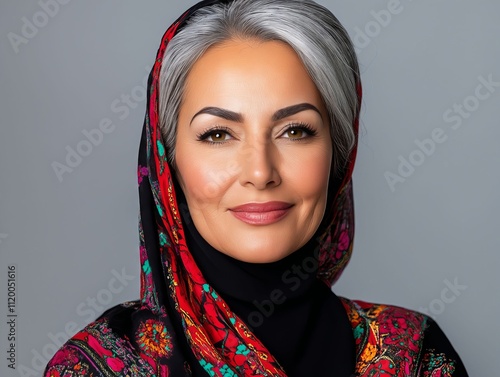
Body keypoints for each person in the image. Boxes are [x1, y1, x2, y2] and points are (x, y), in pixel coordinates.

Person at [44, 0, 469, 376]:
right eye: (218, 135)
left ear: (339, 154)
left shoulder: (415, 356)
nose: (261, 172)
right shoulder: (94, 368)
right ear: (166, 161)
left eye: (295, 131)